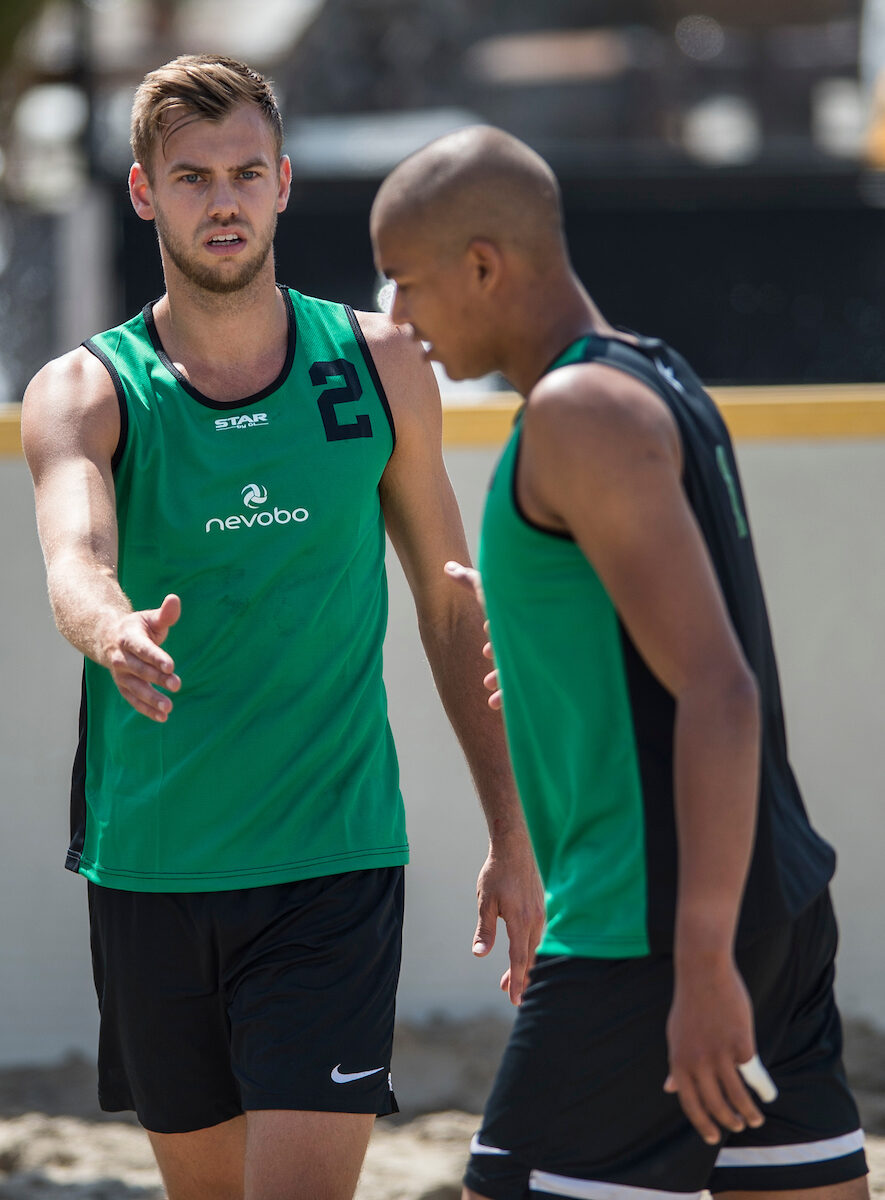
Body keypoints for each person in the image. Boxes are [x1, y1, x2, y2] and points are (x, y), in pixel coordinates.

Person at [22, 61, 543, 1200]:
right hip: (152, 868)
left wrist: (514, 828)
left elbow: (451, 604)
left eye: (246, 173)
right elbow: (75, 560)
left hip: (332, 866)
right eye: (193, 177)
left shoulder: (379, 363)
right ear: (144, 192)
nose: (225, 201)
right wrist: (110, 629)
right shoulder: (85, 389)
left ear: (285, 183)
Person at [370, 126, 869, 1200]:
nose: (397, 317)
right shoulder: (653, 374)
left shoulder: (578, 412)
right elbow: (652, 635)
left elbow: (719, 690)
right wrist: (537, 636)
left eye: (405, 281)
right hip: (774, 906)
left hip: (653, 930)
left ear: (483, 265)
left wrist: (700, 959)